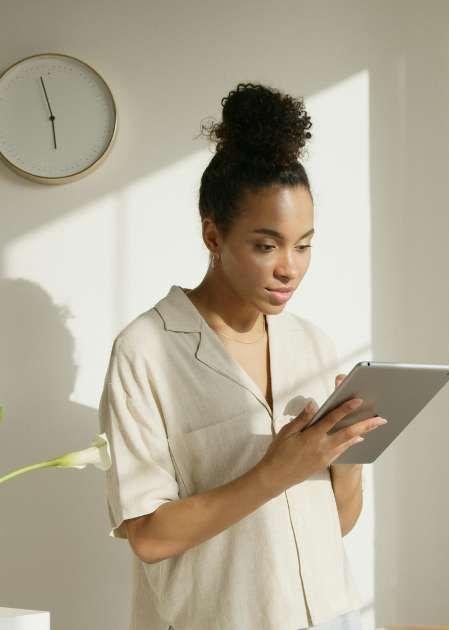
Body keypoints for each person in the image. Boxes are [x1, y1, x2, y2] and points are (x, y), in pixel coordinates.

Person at [98, 82, 387, 630]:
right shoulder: (146, 351)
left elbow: (337, 524)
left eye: (304, 245)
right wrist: (277, 470)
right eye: (266, 244)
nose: (290, 268)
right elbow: (149, 536)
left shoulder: (313, 345)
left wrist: (346, 456)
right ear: (213, 236)